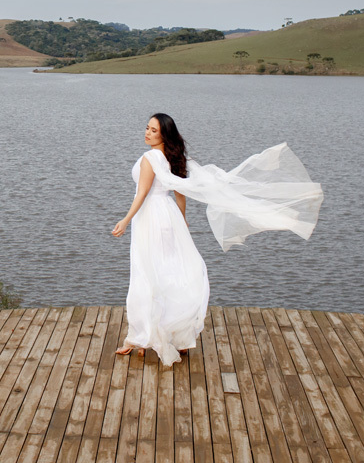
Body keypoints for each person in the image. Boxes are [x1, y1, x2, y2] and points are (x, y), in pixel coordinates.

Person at [112, 113, 324, 366]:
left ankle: (141, 337)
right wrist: (181, 219)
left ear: (164, 135)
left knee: (146, 274)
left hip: (149, 218)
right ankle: (168, 336)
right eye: (147, 128)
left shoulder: (150, 158)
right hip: (167, 217)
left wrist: (125, 220)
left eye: (153, 130)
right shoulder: (173, 158)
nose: (147, 133)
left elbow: (143, 193)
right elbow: (180, 192)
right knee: (169, 271)